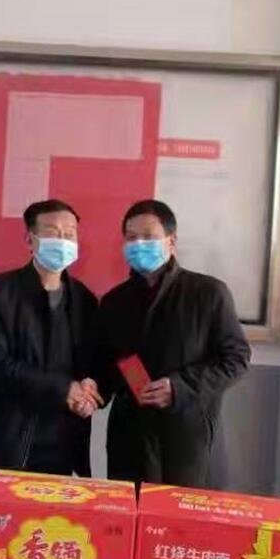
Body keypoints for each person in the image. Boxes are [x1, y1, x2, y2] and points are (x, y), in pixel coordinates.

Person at [98, 199, 250, 487]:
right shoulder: (114, 302)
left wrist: (179, 387)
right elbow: (108, 365)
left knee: (184, 512)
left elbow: (236, 358)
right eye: (131, 237)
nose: (139, 244)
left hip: (188, 439)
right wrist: (89, 392)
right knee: (132, 508)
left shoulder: (207, 293)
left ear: (171, 241)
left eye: (149, 237)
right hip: (131, 440)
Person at [0, 199, 102, 493]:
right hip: (3, 440)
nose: (62, 240)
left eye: (69, 233)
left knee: (50, 521)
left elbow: (92, 363)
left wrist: (90, 390)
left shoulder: (85, 300)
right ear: (29, 239)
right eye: (52, 232)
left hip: (60, 443)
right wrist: (63, 388)